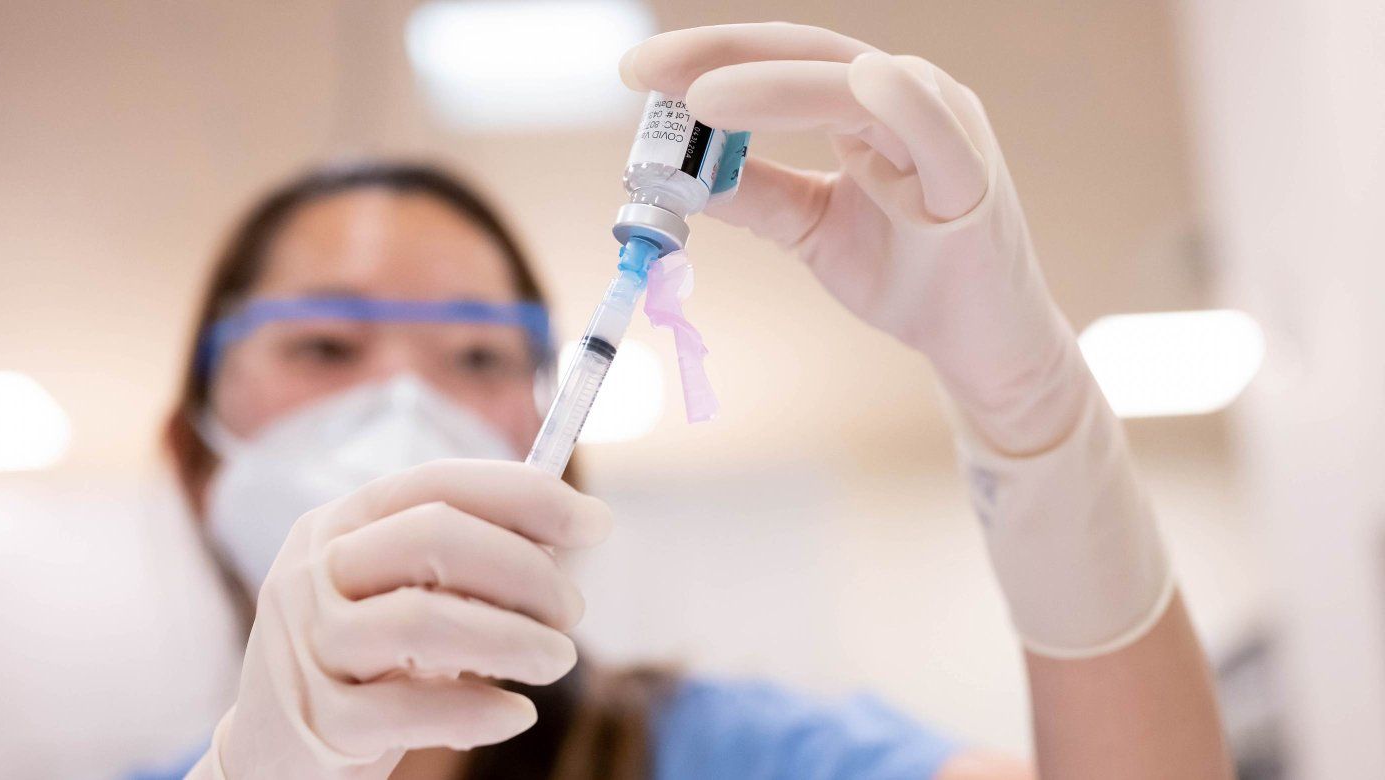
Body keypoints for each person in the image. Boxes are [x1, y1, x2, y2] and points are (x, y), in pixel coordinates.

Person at [152, 22, 1231, 780]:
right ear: (193, 449)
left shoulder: (728, 754)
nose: (401, 401)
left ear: (554, 452)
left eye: (479, 356)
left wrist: (1024, 406)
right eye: (327, 342)